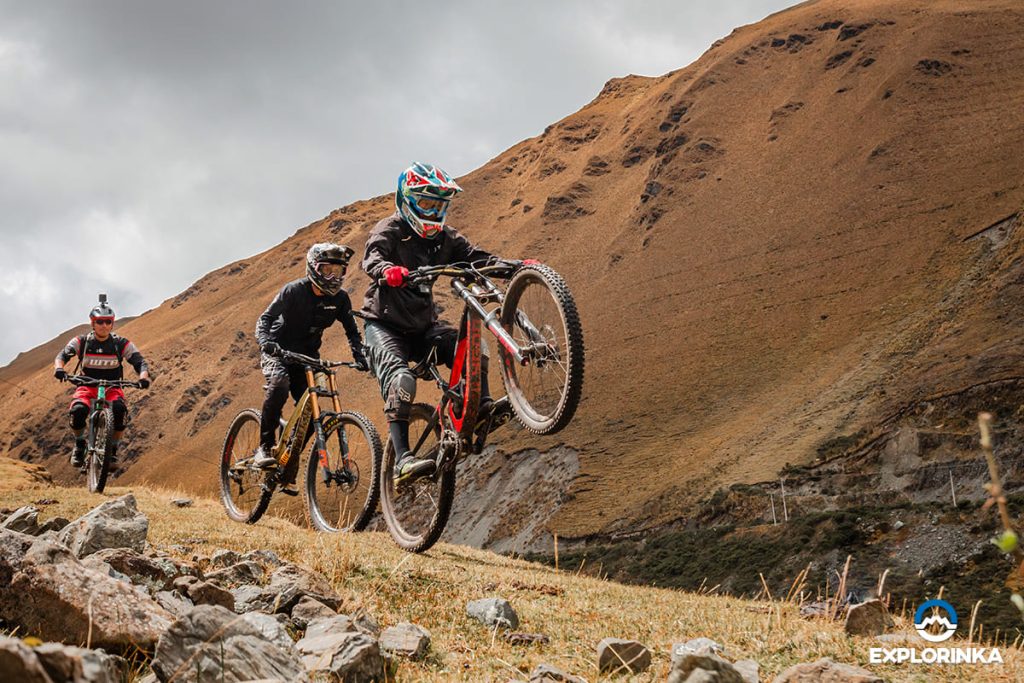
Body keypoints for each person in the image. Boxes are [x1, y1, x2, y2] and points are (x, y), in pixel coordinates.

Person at [361, 162, 535, 482]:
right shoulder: (390, 229)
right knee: (401, 381)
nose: (433, 212)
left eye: (439, 205)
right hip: (384, 326)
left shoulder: (446, 238)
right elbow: (372, 257)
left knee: (471, 347)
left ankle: (480, 409)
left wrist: (516, 266)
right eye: (426, 203)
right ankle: (402, 461)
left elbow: (479, 259)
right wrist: (387, 271)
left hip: (424, 328)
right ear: (406, 200)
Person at [253, 242, 368, 492]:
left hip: (307, 359)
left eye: (338, 271)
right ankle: (264, 448)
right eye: (327, 270)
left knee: (311, 413)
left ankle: (286, 466)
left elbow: (352, 331)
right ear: (314, 268)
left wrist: (360, 356)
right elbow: (265, 319)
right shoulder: (293, 291)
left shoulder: (341, 299)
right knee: (279, 386)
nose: (333, 277)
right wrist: (266, 342)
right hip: (278, 353)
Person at [54, 295, 150, 469]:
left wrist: (143, 377)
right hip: (86, 386)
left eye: (108, 321)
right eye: (100, 321)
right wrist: (59, 369)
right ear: (93, 323)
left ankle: (112, 450)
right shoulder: (82, 342)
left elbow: (139, 362)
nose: (104, 325)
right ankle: (80, 444)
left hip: (112, 388)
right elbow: (62, 356)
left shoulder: (120, 343)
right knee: (77, 411)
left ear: (112, 324)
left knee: (120, 411)